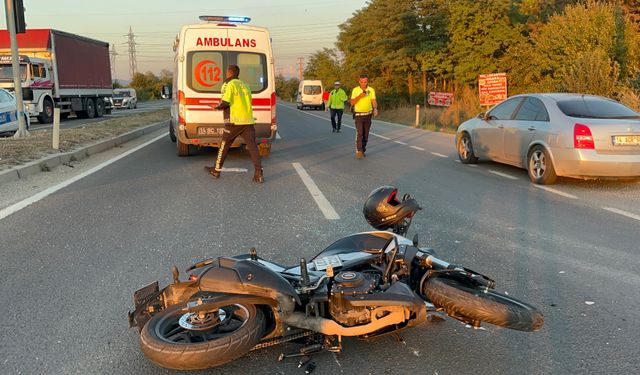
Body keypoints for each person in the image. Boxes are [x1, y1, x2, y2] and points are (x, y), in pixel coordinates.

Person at [204, 65, 264, 183]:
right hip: (248, 121)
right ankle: (259, 173)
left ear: (229, 73)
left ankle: (216, 171)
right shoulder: (245, 86)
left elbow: (226, 102)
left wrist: (216, 107)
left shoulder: (230, 84)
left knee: (224, 146)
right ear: (238, 74)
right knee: (253, 148)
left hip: (234, 122)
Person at [350, 74, 378, 158]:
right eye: (361, 82)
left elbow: (374, 101)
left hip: (368, 114)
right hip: (358, 115)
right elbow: (352, 102)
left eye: (365, 82)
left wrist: (375, 108)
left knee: (366, 134)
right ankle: (359, 150)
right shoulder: (355, 90)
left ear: (367, 81)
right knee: (360, 133)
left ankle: (363, 149)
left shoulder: (371, 90)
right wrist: (360, 96)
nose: (363, 83)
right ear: (359, 82)